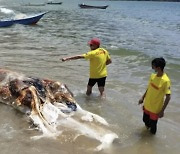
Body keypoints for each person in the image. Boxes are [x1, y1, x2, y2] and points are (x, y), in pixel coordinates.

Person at [138, 57, 171, 134]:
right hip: (147, 105)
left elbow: (168, 97)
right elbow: (148, 88)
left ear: (158, 68)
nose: (152, 67)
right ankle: (146, 135)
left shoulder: (165, 81)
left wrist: (162, 111)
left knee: (153, 127)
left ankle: (151, 140)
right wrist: (142, 98)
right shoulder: (153, 76)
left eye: (153, 66)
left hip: (155, 109)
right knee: (145, 120)